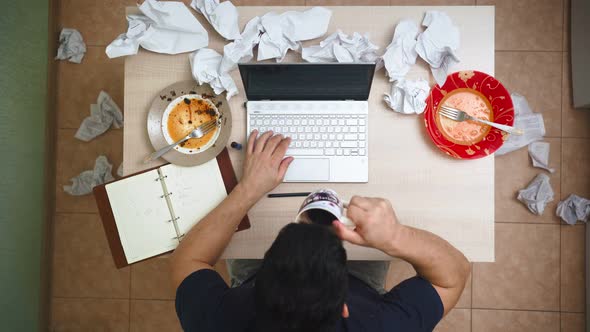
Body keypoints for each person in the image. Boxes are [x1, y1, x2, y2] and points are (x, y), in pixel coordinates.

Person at [171, 130, 471, 332]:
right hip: (358, 282)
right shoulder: (380, 325)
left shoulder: (217, 322)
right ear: (343, 308)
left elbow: (188, 260)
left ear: (253, 292)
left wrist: (248, 189)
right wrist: (394, 237)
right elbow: (452, 277)